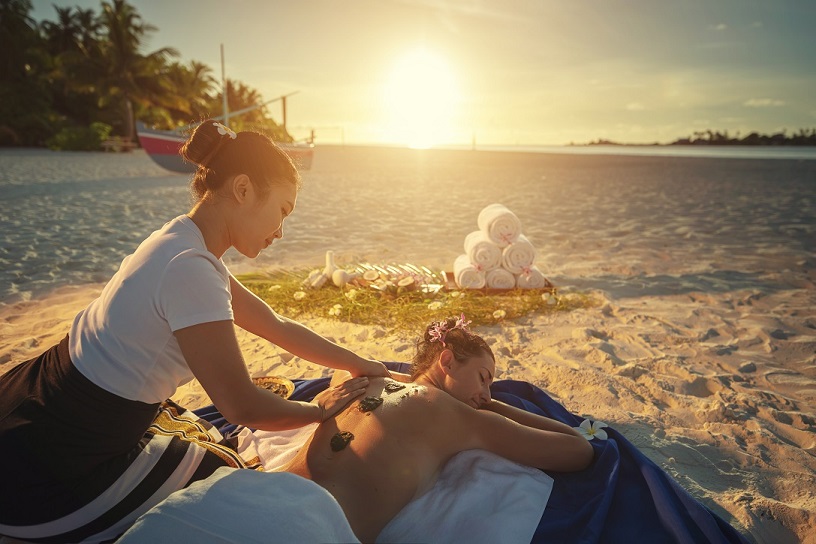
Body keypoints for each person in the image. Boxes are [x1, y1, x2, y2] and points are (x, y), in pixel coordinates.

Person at [0, 120, 388, 543]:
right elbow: (242, 407)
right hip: (49, 465)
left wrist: (359, 362)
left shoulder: (179, 240)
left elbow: (274, 324)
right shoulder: (189, 268)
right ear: (243, 189)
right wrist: (319, 410)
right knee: (230, 480)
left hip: (32, 400)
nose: (280, 231)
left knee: (201, 443)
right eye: (282, 210)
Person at [278, 314, 595, 543]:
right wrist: (494, 407)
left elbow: (368, 377)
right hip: (315, 531)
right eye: (483, 378)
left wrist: (400, 378)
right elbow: (579, 449)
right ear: (447, 361)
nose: (487, 394)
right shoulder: (458, 416)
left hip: (265, 493)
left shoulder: (360, 379)